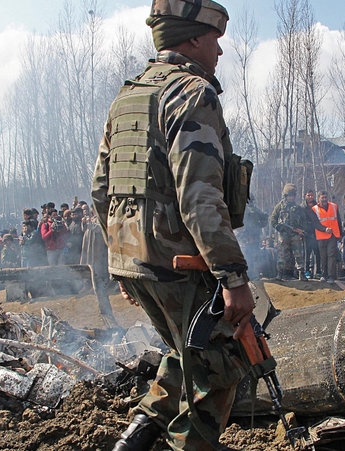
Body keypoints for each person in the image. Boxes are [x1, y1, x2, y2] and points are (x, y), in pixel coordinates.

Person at [92, 2, 254, 450]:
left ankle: (138, 435)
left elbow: (101, 191)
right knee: (224, 360)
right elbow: (199, 197)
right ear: (194, 38)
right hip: (180, 262)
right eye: (215, 40)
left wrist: (122, 260)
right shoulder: (190, 93)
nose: (219, 52)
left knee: (187, 350)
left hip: (135, 260)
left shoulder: (126, 97)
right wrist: (233, 277)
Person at [270, 184, 309, 280]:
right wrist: (278, 227)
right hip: (283, 235)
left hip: (295, 235)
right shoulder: (279, 207)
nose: (291, 198)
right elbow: (273, 219)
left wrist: (301, 230)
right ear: (285, 196)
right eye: (289, 196)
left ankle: (301, 273)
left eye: (293, 196)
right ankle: (280, 274)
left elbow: (304, 220)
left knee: (298, 254)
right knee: (282, 255)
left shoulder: (298, 208)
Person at [312, 191, 342, 283]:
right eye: (322, 197)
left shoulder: (334, 206)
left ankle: (331, 276)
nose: (324, 199)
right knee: (323, 256)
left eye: (325, 197)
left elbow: (338, 220)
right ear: (318, 199)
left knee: (331, 256)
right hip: (321, 236)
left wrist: (340, 234)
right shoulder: (314, 209)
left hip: (332, 235)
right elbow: (315, 223)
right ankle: (323, 275)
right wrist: (324, 229)